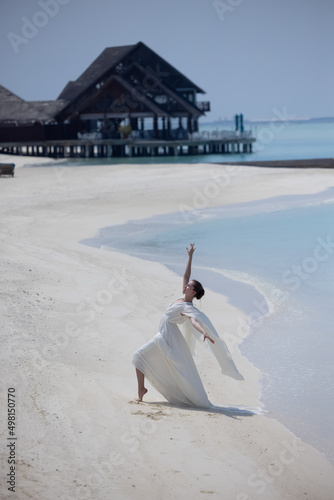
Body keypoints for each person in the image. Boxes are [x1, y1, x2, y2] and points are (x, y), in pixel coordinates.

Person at [133, 243, 244, 409]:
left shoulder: (188, 308)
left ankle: (142, 390)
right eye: (187, 285)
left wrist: (203, 332)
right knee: (139, 356)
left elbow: (194, 321)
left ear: (193, 292)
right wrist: (190, 257)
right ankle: (141, 389)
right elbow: (186, 275)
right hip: (164, 335)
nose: (185, 285)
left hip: (166, 338)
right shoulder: (182, 297)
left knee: (139, 355)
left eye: (189, 286)